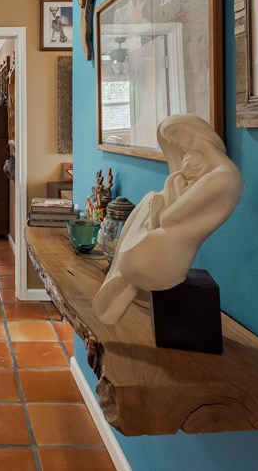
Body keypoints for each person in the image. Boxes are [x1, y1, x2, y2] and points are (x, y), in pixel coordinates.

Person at [93, 114, 243, 324]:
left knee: (151, 198)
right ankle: (121, 279)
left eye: (173, 134)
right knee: (151, 198)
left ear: (194, 130)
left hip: (161, 260)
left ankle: (121, 278)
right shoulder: (216, 175)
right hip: (157, 255)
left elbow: (169, 217)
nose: (174, 143)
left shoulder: (221, 176)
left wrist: (170, 189)